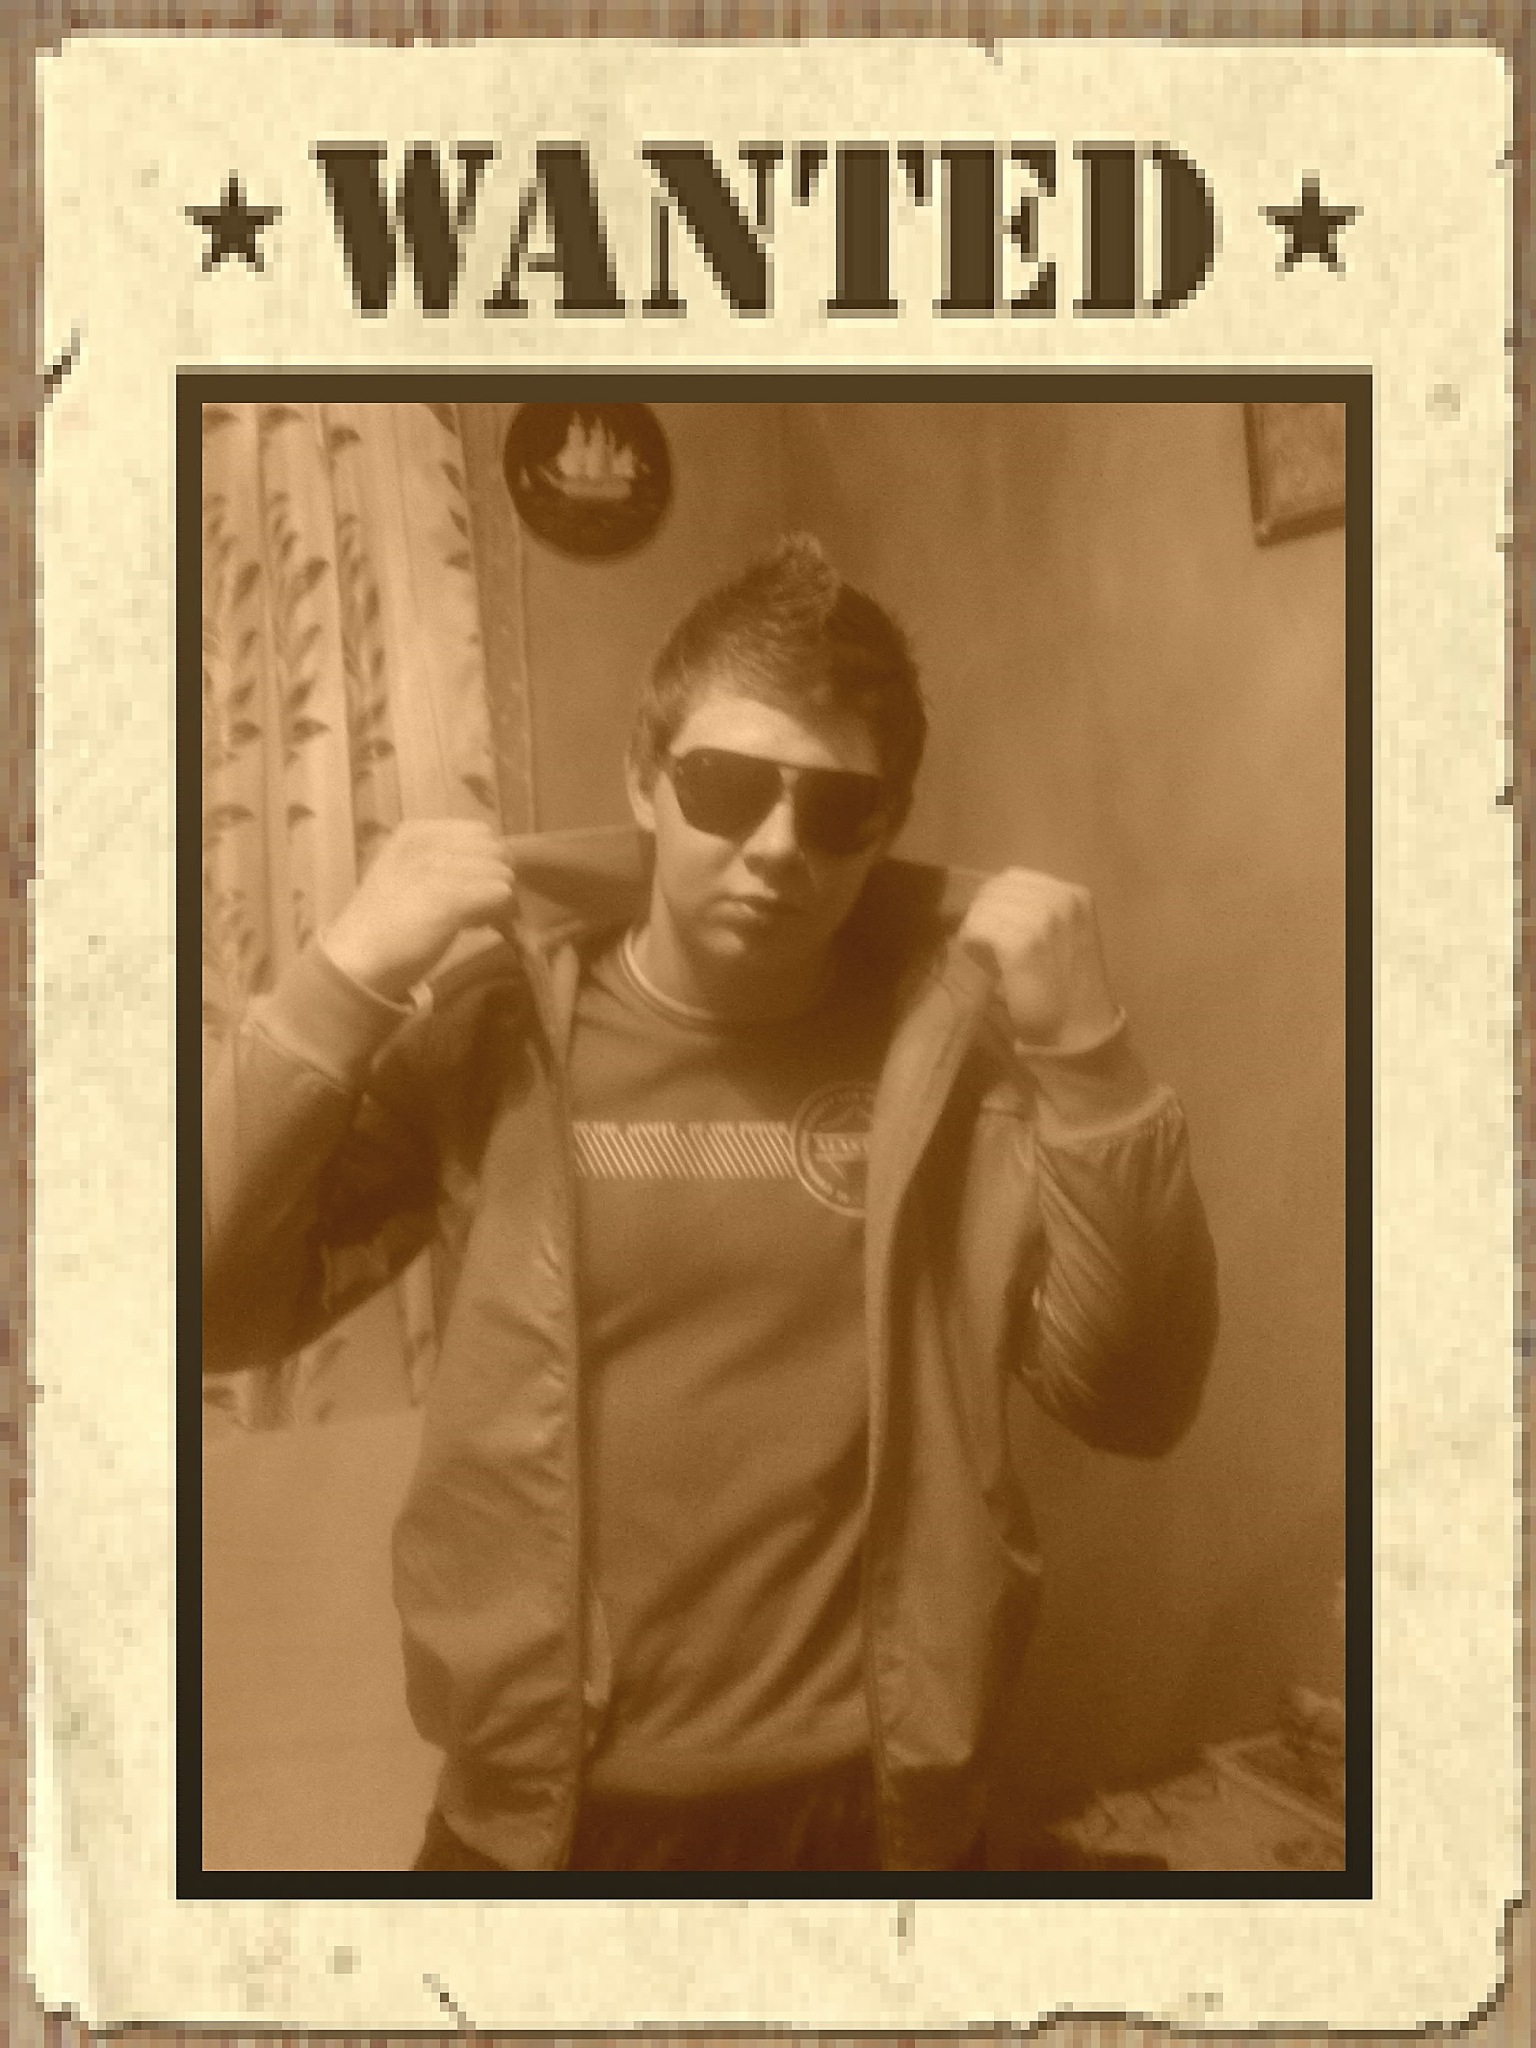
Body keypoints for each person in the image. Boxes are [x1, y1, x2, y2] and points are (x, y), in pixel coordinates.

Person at [203, 533, 1218, 1873]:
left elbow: (1137, 1400)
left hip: (877, 1814)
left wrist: (1094, 1061)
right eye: (727, 789)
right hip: (543, 1828)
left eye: (838, 809)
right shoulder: (493, 1033)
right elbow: (208, 1311)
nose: (778, 848)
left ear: (887, 826)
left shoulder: (956, 1065)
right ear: (645, 776)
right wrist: (338, 981)